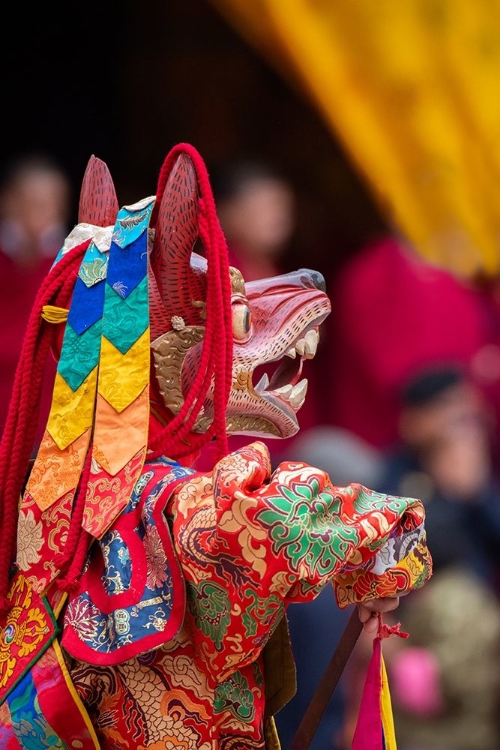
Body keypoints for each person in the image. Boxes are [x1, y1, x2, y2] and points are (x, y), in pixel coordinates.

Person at [0, 144, 432, 749]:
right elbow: (278, 520)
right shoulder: (170, 503)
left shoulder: (50, 505)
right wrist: (391, 537)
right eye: (231, 323)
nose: (238, 337)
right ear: (153, 366)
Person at [0, 152, 72, 437]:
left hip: (53, 408)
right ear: (8, 201)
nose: (40, 214)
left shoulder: (76, 263)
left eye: (51, 205)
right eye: (31, 203)